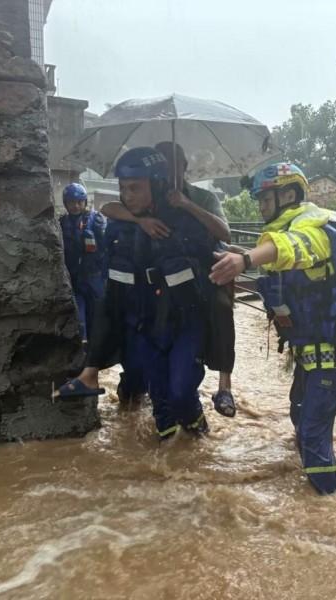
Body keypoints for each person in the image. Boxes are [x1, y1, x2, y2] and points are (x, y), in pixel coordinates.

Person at [210, 163, 336, 495]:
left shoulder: (315, 229)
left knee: (312, 433)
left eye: (265, 199)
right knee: (299, 414)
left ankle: (331, 504)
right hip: (309, 352)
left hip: (330, 353)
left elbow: (292, 247)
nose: (260, 207)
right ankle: (317, 491)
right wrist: (239, 263)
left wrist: (246, 260)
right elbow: (280, 271)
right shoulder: (285, 232)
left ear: (289, 195)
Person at [58, 148, 216, 440]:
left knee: (181, 392)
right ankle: (171, 466)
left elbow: (215, 251)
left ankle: (199, 438)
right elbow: (112, 293)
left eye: (134, 188)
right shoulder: (119, 229)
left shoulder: (185, 222)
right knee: (161, 406)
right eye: (122, 189)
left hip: (184, 324)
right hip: (146, 324)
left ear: (156, 185)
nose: (126, 195)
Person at [100, 141, 238, 418]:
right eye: (165, 163)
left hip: (199, 274)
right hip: (156, 290)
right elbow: (110, 208)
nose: (171, 170)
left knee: (221, 306)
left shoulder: (201, 197)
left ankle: (224, 383)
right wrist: (140, 221)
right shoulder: (149, 201)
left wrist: (186, 204)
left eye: (176, 164)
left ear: (185, 167)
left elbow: (224, 233)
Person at [59, 183, 107, 347]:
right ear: (66, 203)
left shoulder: (96, 219)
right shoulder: (61, 223)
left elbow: (106, 246)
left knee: (97, 317)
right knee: (78, 318)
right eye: (71, 202)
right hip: (73, 278)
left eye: (79, 201)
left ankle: (96, 353)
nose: (76, 206)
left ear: (85, 202)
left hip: (94, 277)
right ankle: (81, 350)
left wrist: (98, 236)